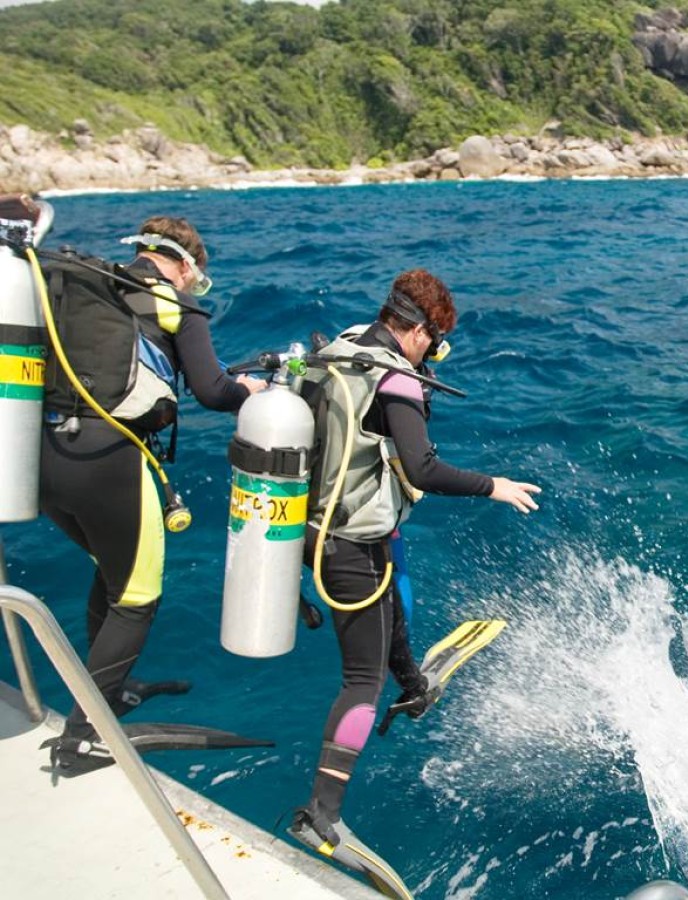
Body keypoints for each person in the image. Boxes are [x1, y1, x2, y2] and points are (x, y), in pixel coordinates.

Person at [287, 268, 541, 887]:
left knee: (390, 597)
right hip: (350, 545)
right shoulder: (395, 375)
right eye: (437, 339)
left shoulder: (343, 346)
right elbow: (421, 468)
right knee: (358, 683)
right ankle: (321, 815)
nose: (436, 351)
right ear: (421, 331)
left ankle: (414, 684)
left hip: (318, 528)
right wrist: (494, 486)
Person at [39, 215, 265, 772]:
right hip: (109, 461)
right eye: (198, 279)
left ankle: (112, 689)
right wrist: (250, 391)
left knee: (114, 572)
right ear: (184, 264)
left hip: (43, 456)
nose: (195, 288)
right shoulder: (172, 301)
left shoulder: (92, 284)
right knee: (138, 597)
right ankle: (83, 736)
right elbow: (213, 392)